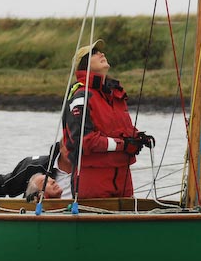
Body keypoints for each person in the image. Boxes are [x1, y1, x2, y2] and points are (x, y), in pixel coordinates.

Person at [62, 39, 154, 198]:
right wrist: (123, 145)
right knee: (94, 221)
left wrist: (138, 137)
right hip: (94, 177)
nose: (101, 54)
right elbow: (84, 140)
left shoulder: (114, 95)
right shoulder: (81, 96)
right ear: (84, 65)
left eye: (100, 51)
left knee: (128, 220)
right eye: (94, 53)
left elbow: (119, 129)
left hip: (123, 176)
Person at [0, 141, 72, 199]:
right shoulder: (33, 166)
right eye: (69, 147)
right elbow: (1, 184)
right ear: (61, 147)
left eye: (78, 147)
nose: (74, 151)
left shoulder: (88, 170)